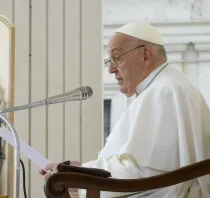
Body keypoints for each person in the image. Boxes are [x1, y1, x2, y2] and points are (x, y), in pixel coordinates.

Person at [39, 21, 210, 197]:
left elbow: (140, 171)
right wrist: (77, 171)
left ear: (145, 55)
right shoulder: (165, 86)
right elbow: (139, 165)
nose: (112, 69)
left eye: (117, 58)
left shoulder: (163, 91)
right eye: (109, 61)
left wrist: (75, 177)